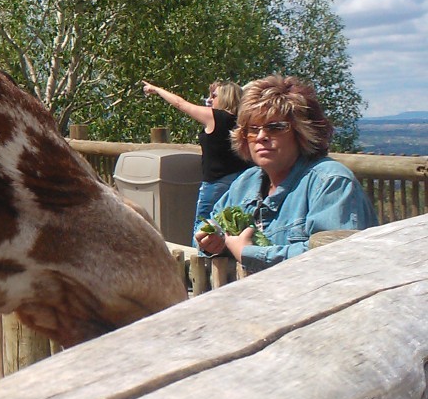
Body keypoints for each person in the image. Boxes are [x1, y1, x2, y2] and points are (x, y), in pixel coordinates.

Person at [194, 75, 376, 271]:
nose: (262, 137)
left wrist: (248, 253)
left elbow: (333, 258)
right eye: (253, 129)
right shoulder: (246, 182)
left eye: (276, 127)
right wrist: (212, 240)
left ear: (302, 131)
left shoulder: (331, 183)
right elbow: (209, 225)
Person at [141, 78, 247, 238]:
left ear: (226, 97)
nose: (209, 100)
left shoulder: (215, 117)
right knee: (233, 227)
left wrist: (157, 89)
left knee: (203, 228)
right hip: (242, 180)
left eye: (214, 96)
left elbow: (180, 103)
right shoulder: (243, 121)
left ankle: (201, 260)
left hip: (216, 182)